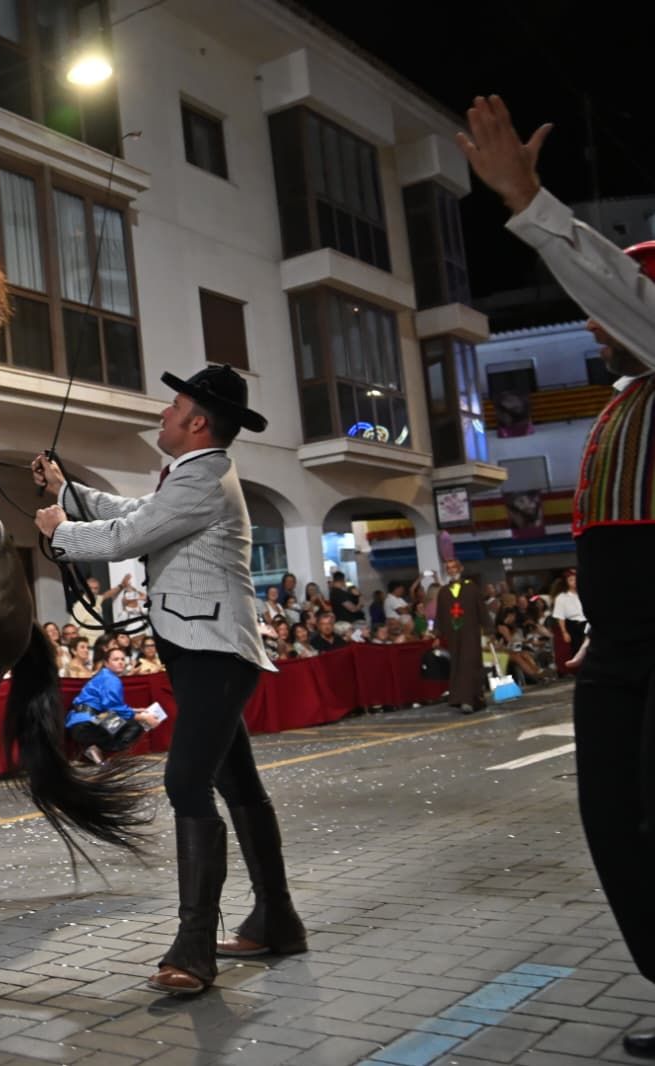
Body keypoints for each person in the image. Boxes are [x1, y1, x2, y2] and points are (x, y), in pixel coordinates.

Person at [461, 94, 655, 1057]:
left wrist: (527, 201)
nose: (601, 318)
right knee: (612, 819)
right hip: (622, 649)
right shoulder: (629, 398)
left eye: (624, 297)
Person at [32, 363, 305, 997]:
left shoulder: (203, 477)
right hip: (204, 649)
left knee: (187, 781)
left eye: (174, 406)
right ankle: (276, 920)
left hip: (213, 653)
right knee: (238, 784)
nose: (164, 412)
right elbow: (139, 512)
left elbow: (130, 534)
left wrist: (60, 532)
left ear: (198, 422)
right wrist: (68, 490)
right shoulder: (193, 474)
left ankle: (194, 949)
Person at [66, 645, 158, 764]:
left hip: (80, 723)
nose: (120, 662)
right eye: (116, 659)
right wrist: (144, 717)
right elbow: (114, 709)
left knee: (129, 718)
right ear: (106, 663)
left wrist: (135, 710)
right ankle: (99, 749)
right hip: (89, 725)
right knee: (136, 724)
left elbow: (107, 706)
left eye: (122, 659)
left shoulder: (103, 676)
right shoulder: (111, 679)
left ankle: (92, 747)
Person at [435, 555, 489, 714]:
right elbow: (440, 615)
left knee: (470, 663)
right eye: (449, 568)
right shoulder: (444, 592)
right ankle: (461, 698)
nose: (452, 571)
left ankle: (470, 699)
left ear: (460, 568)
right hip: (453, 634)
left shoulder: (471, 587)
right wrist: (437, 634)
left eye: (454, 567)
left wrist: (489, 629)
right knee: (458, 664)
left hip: (470, 632)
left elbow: (481, 609)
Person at [549, 569, 587, 660]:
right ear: (566, 582)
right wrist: (564, 632)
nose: (574, 582)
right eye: (571, 580)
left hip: (586, 623)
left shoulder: (584, 593)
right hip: (573, 625)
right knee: (577, 650)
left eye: (576, 579)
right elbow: (560, 617)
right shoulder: (561, 597)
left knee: (590, 648)